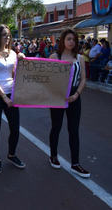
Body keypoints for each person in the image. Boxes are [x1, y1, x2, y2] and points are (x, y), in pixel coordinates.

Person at [0, 24, 26, 175]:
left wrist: (21, 62)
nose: (7, 37)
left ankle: (11, 155)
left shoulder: (14, 54)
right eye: (3, 35)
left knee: (15, 128)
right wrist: (4, 97)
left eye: (8, 35)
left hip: (12, 95)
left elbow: (14, 74)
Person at [48, 28, 90, 178]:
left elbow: (83, 79)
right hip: (57, 97)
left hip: (74, 97)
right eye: (69, 39)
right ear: (63, 40)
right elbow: (46, 77)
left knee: (74, 130)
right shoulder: (54, 56)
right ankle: (53, 156)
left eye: (74, 40)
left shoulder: (79, 58)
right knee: (56, 127)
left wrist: (77, 94)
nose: (71, 42)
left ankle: (75, 163)